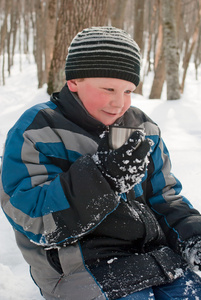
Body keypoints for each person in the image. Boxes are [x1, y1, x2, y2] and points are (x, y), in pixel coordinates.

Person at [1, 26, 201, 300]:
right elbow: (32, 218)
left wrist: (192, 236)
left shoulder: (142, 127)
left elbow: (164, 198)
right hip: (82, 268)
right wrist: (102, 178)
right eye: (108, 88)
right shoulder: (39, 129)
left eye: (128, 90)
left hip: (156, 261)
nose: (119, 103)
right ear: (74, 82)